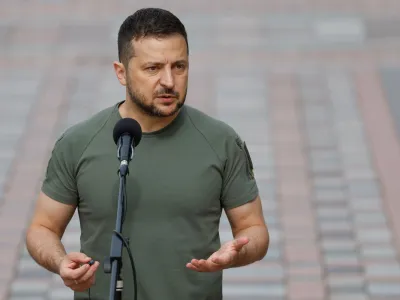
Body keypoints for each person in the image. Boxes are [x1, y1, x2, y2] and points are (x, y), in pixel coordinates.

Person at [25, 7, 269, 300]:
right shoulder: (79, 143)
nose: (169, 81)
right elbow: (42, 228)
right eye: (153, 68)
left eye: (179, 66)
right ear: (121, 73)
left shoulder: (221, 142)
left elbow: (254, 229)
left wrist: (235, 255)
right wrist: (60, 262)